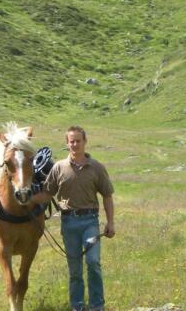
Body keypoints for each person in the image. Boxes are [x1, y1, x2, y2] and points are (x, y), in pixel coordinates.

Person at [31, 125, 115, 311]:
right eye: (71, 141)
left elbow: (107, 196)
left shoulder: (97, 167)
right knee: (75, 269)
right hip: (68, 223)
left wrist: (110, 222)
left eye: (78, 140)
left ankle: (96, 306)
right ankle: (77, 306)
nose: (75, 144)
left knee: (93, 263)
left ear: (85, 142)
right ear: (67, 143)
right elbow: (47, 193)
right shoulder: (59, 167)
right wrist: (26, 201)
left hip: (90, 222)